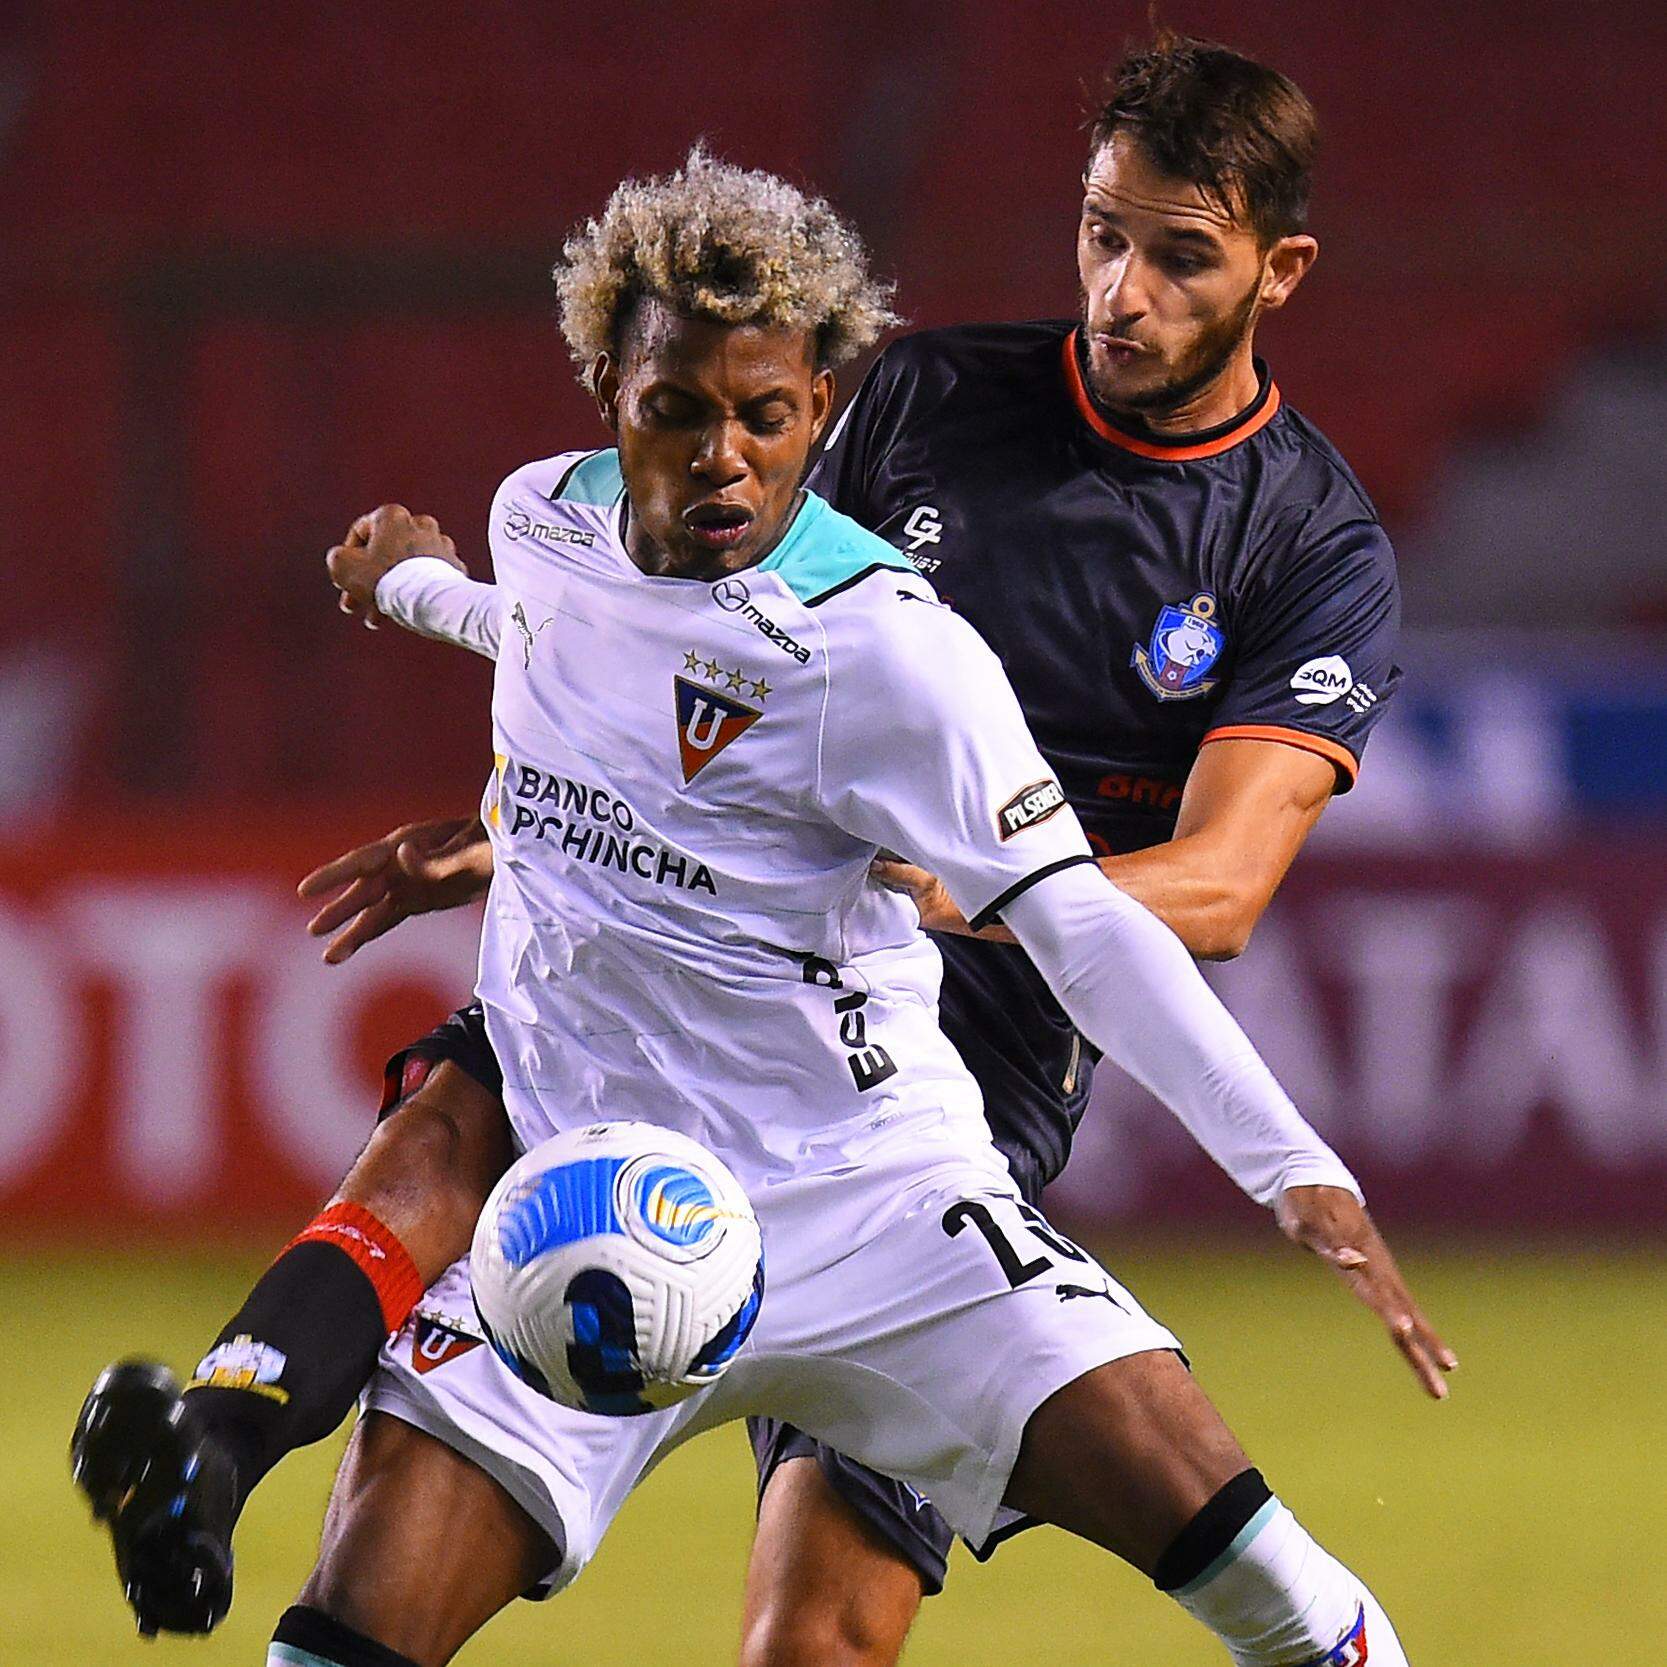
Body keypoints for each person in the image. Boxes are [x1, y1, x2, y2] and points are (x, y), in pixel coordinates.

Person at [76, 143, 1427, 1667]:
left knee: (1282, 1602)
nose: (724, 453)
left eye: (767, 417)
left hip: (875, 1194)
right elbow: (548, 632)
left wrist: (1290, 1165)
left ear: (819, 419)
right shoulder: (540, 518)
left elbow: (1080, 924)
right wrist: (407, 590)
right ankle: (218, 1437)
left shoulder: (894, 655)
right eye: (678, 412)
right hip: (584, 1203)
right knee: (341, 1638)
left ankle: (222, 1421)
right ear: (608, 395)